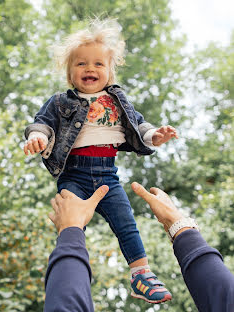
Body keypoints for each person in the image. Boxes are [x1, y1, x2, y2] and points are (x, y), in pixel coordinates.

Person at [23, 18, 177, 303]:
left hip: (107, 176)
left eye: (98, 64)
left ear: (109, 71)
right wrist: (39, 138)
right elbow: (41, 124)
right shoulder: (60, 102)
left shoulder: (118, 101)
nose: (90, 69)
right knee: (72, 225)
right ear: (70, 72)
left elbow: (140, 126)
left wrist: (156, 135)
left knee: (126, 223)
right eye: (81, 64)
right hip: (73, 175)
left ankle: (141, 275)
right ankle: (71, 277)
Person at [44, 182, 234, 311]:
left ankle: (140, 274)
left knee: (126, 223)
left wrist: (70, 231)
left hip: (96, 173)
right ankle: (142, 274)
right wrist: (178, 224)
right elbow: (225, 299)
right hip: (82, 173)